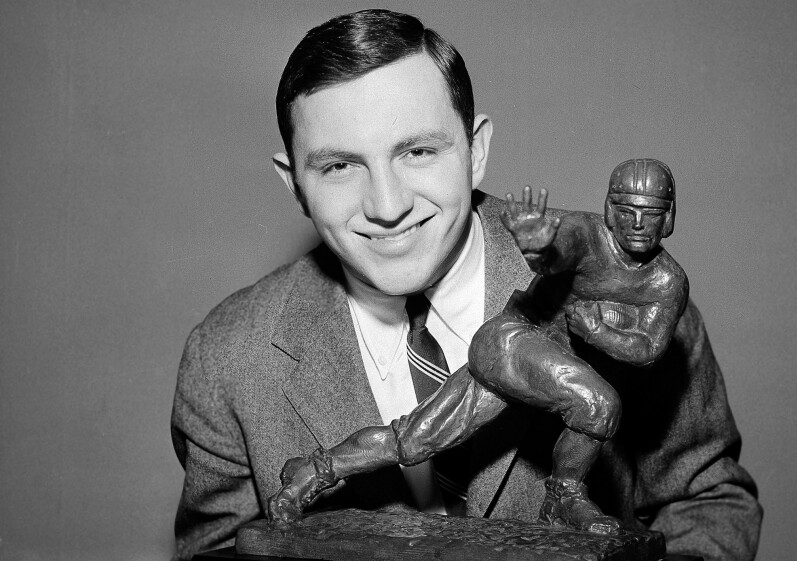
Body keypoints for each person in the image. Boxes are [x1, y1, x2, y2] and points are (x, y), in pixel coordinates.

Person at [171, 9, 762, 561]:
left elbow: (707, 503)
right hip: (507, 350)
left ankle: (326, 468)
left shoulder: (637, 285)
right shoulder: (226, 358)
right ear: (294, 182)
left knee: (430, 437)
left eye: (419, 151)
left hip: (509, 348)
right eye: (338, 166)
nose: (387, 205)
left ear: (475, 150)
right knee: (474, 429)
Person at [267, 159, 689, 537]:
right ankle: (563, 496)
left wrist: (597, 333)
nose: (636, 223)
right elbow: (561, 252)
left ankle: (313, 470)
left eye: (649, 213)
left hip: (525, 368)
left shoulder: (666, 282)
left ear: (668, 218)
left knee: (414, 441)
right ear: (609, 211)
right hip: (510, 341)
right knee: (599, 405)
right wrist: (539, 249)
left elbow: (648, 349)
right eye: (625, 210)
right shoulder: (587, 233)